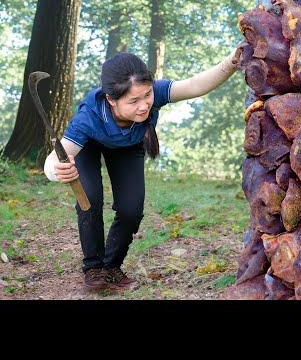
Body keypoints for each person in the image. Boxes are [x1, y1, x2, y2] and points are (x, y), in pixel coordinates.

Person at [43, 48, 242, 292]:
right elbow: (54, 159)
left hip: (128, 145)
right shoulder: (88, 118)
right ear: (111, 100)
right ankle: (93, 267)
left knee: (131, 209)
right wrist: (57, 171)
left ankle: (111, 266)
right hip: (90, 145)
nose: (144, 105)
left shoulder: (153, 93)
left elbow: (195, 85)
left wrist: (231, 62)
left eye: (147, 96)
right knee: (90, 198)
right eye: (133, 101)